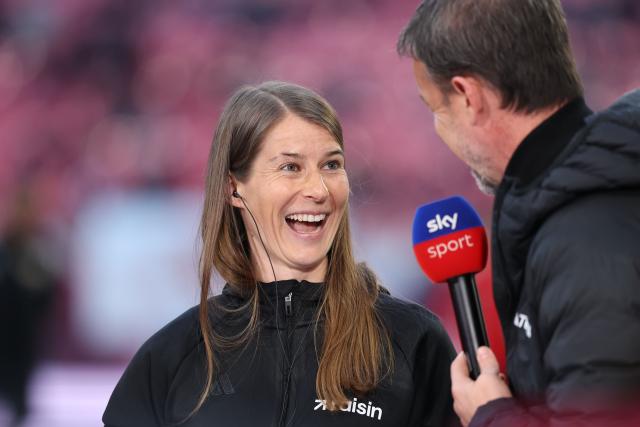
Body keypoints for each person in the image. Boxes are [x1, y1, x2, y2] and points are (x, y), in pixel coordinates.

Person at [102, 81, 458, 427]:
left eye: (331, 165)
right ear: (233, 188)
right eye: (291, 167)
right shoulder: (172, 357)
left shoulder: (413, 342)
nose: (318, 189)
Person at [397, 0, 640, 426]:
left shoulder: (585, 240)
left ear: (468, 96)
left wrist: (491, 415)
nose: (438, 129)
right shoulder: (586, 194)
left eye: (436, 108)